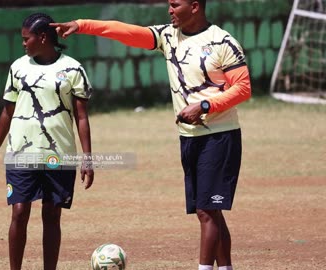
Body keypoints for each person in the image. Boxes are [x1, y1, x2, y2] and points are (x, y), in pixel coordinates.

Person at [51, 1, 251, 269]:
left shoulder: (223, 42)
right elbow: (124, 31)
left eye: (175, 4)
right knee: (210, 211)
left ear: (194, 6)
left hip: (219, 136)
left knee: (206, 211)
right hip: (189, 137)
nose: (169, 10)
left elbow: (243, 88)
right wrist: (83, 25)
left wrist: (204, 105)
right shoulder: (168, 36)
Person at [0, 13, 94, 270]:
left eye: (27, 38)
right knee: (19, 212)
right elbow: (7, 112)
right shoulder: (18, 68)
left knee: (52, 215)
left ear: (43, 37)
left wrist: (86, 158)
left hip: (59, 154)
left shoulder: (72, 69)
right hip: (21, 153)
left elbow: (81, 117)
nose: (23, 43)